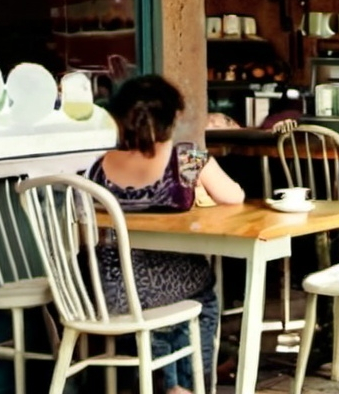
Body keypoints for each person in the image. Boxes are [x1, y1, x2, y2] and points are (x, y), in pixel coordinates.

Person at [86, 74, 245, 394]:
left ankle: (164, 381)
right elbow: (234, 197)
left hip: (110, 290)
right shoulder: (185, 157)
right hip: (167, 286)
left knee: (169, 294)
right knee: (201, 293)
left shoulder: (101, 164)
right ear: (172, 117)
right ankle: (188, 387)